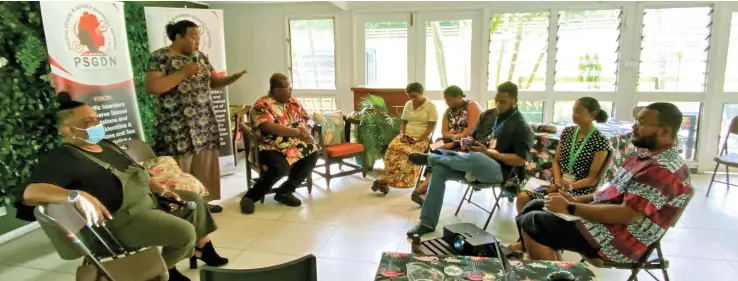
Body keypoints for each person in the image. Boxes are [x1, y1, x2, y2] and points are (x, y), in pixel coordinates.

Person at [13, 93, 227, 281]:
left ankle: (201, 248)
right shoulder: (62, 158)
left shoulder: (106, 145)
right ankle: (167, 270)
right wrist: (74, 195)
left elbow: (137, 171)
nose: (97, 124)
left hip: (147, 202)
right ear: (69, 130)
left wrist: (161, 190)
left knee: (194, 201)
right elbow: (29, 193)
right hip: (118, 222)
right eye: (89, 121)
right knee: (185, 232)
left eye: (97, 119)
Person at [516, 102, 693, 263]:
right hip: (609, 223)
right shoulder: (644, 155)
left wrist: (570, 208)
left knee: (534, 222)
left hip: (621, 239)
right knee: (536, 205)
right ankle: (559, 270)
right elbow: (610, 192)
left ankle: (555, 273)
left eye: (641, 123)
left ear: (664, 131)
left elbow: (627, 215)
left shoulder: (662, 168)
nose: (634, 126)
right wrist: (575, 200)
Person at [405, 82, 534, 237]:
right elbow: (471, 135)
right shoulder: (488, 115)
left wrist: (491, 153)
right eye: (496, 100)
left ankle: (431, 159)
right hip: (470, 162)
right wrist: (467, 142)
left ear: (515, 100)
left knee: (477, 157)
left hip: (497, 171)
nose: (498, 105)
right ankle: (427, 223)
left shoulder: (521, 126)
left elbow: (519, 160)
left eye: (503, 102)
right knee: (439, 170)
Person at [145, 20, 247, 209]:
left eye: (199, 37)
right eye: (193, 37)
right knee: (180, 168)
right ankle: (181, 205)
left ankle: (203, 203)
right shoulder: (160, 57)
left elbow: (214, 81)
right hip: (175, 125)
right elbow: (153, 87)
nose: (198, 42)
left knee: (204, 164)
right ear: (178, 37)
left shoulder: (199, 56)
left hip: (203, 123)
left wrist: (232, 78)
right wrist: (183, 73)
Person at [240, 73, 319, 214]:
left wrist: (306, 130)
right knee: (280, 168)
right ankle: (250, 197)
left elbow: (310, 120)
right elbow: (267, 126)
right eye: (288, 87)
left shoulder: (293, 102)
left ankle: (285, 191)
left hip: (294, 145)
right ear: (276, 90)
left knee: (312, 153)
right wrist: (296, 132)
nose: (291, 89)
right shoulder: (262, 105)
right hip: (270, 146)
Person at [515, 97, 611, 212]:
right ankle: (524, 227)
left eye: (578, 111)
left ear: (592, 114)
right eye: (573, 110)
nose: (573, 114)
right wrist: (557, 181)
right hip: (558, 184)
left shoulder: (600, 141)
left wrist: (568, 186)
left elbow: (592, 179)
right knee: (523, 197)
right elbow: (556, 162)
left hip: (578, 190)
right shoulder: (568, 132)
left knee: (549, 204)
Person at [412, 86, 482, 204]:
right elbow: (444, 132)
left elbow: (472, 129)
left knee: (443, 150)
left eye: (449, 99)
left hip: (468, 142)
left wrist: (453, 142)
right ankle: (428, 180)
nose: (447, 102)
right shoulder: (448, 112)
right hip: (452, 140)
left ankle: (425, 186)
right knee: (434, 146)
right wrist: (452, 138)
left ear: (459, 97)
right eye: (445, 100)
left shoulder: (471, 106)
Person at [371, 82, 438, 194]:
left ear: (421, 92)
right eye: (410, 96)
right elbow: (403, 122)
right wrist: (402, 134)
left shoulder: (431, 106)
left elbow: (430, 128)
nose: (412, 99)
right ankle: (386, 181)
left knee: (406, 153)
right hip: (406, 135)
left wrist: (418, 139)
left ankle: (386, 181)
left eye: (414, 96)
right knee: (391, 150)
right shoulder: (408, 104)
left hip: (422, 138)